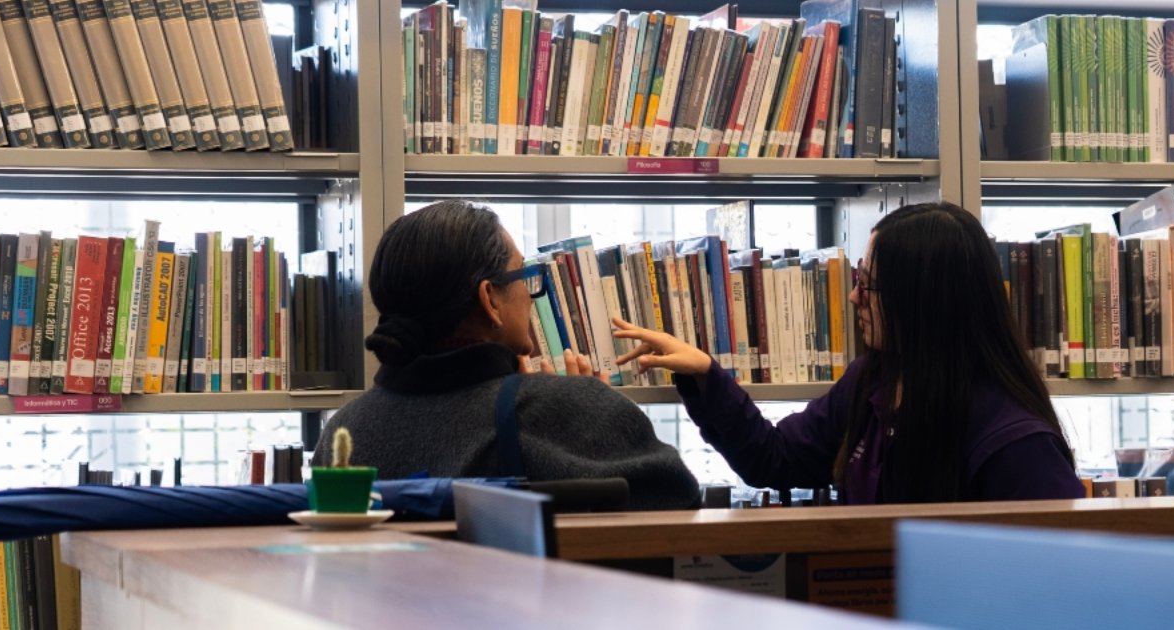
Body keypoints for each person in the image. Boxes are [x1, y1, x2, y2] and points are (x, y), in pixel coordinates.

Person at [613, 201, 1085, 504]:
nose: (855, 298)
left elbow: (1057, 587)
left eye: (871, 287)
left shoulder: (1015, 443)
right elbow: (775, 459)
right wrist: (705, 377)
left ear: (924, 303)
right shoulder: (873, 382)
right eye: (859, 279)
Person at [312, 200, 699, 510]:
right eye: (521, 277)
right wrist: (590, 407)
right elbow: (677, 502)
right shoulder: (559, 409)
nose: (531, 299)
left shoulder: (342, 431)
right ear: (490, 299)